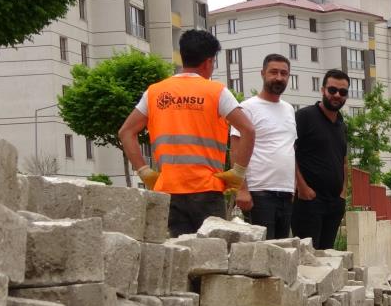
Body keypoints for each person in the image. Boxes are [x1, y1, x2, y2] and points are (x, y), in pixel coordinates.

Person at [118, 29, 255, 237]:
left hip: (168, 189)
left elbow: (126, 131)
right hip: (207, 189)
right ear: (208, 62)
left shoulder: (155, 92)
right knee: (211, 256)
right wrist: (238, 172)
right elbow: (248, 129)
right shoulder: (216, 91)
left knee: (177, 257)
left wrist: (144, 172)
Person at [230, 54, 296, 239]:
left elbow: (290, 149)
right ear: (262, 73)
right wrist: (241, 189)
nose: (279, 77)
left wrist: (293, 187)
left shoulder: (289, 109)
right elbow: (235, 151)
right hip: (258, 194)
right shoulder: (247, 108)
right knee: (262, 255)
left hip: (285, 193)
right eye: (273, 72)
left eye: (284, 73)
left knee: (283, 254)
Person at [292, 69, 350, 250]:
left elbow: (344, 159)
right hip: (309, 202)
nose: (337, 95)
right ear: (323, 90)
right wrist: (302, 188)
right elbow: (289, 152)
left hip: (334, 203)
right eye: (332, 90)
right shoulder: (305, 117)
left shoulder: (341, 123)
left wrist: (343, 192)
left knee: (328, 259)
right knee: (308, 259)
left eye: (343, 92)